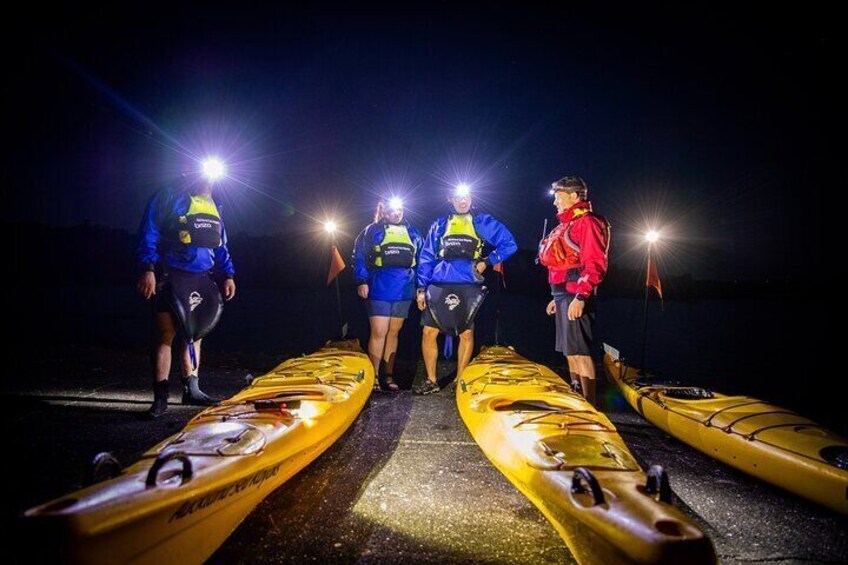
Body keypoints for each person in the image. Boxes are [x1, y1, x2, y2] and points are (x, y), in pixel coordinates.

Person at [136, 178, 236, 419]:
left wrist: (228, 274)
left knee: (195, 334)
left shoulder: (213, 205)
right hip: (170, 275)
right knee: (165, 335)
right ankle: (160, 398)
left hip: (202, 277)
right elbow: (149, 232)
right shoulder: (168, 197)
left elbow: (221, 245)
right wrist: (148, 268)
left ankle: (192, 389)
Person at [414, 186, 517, 394]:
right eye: (458, 198)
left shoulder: (481, 221)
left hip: (469, 285)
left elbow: (509, 244)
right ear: (450, 199)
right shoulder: (440, 224)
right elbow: (426, 257)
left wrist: (488, 261)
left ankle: (459, 382)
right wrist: (421, 288)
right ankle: (432, 380)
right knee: (428, 332)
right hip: (439, 284)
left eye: (466, 197)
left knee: (467, 334)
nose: (463, 201)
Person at [538, 176, 610, 406]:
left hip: (576, 294)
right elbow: (559, 265)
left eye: (558, 197)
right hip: (562, 294)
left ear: (574, 196)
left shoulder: (587, 222)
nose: (555, 202)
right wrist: (555, 298)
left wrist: (581, 296)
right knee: (569, 351)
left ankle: (590, 404)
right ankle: (577, 394)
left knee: (580, 350)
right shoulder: (565, 225)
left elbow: (595, 262)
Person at [352, 198, 423, 391]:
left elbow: (422, 261)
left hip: (404, 289)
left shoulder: (414, 233)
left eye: (400, 209)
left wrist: (421, 287)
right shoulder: (372, 231)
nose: (396, 213)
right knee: (379, 332)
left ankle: (388, 375)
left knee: (393, 333)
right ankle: (373, 377)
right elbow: (358, 256)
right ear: (385, 211)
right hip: (379, 286)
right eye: (392, 210)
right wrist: (362, 280)